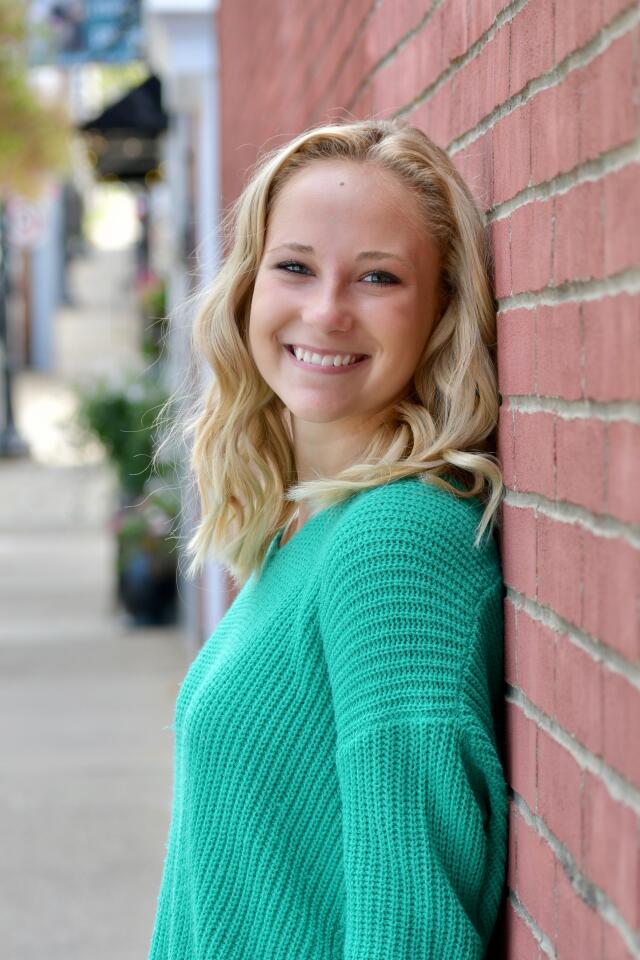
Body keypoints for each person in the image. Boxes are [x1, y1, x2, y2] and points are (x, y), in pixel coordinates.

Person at [148, 118, 508, 960]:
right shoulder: (306, 525)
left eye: (379, 277)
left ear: (442, 310)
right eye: (295, 266)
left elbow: (410, 925)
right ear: (248, 286)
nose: (326, 310)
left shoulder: (396, 545)